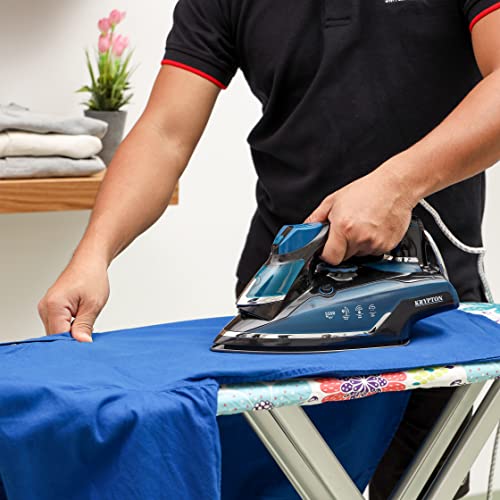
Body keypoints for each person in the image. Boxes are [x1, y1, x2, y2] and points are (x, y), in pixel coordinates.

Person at [39, 1, 500, 498]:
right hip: (293, 294)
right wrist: (94, 253)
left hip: (429, 301)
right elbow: (164, 133)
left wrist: (398, 186)